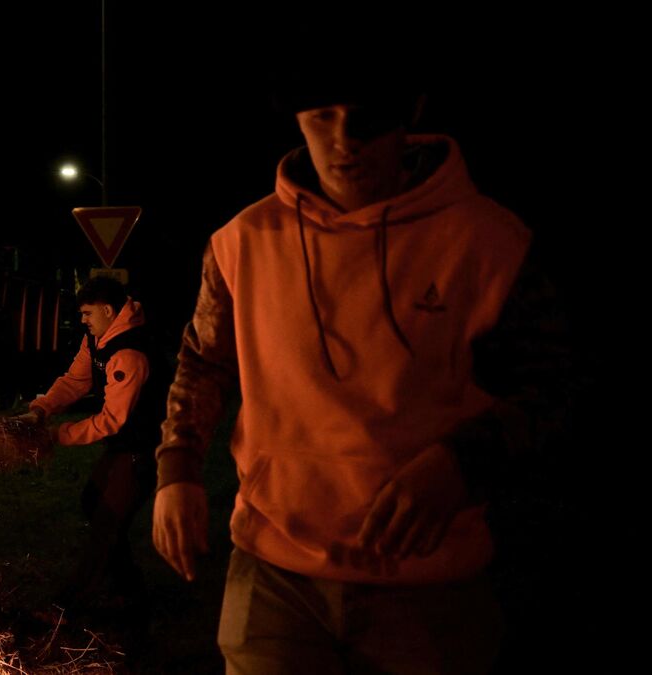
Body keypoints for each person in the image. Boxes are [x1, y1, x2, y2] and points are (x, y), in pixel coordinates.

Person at [152, 74, 568, 673]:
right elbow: (203, 360)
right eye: (323, 115)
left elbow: (558, 389)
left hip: (430, 581)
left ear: (410, 112)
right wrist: (179, 471)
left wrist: (463, 461)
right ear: (297, 117)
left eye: (368, 117)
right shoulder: (243, 242)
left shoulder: (487, 241)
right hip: (275, 574)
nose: (345, 140)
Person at [21, 275, 167, 618]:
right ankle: (130, 592)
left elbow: (110, 420)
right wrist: (43, 407)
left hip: (144, 448)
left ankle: (67, 607)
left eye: (87, 313)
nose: (82, 319)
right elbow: (76, 380)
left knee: (106, 523)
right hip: (123, 445)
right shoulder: (98, 337)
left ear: (107, 309)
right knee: (93, 501)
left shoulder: (129, 353)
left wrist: (56, 435)